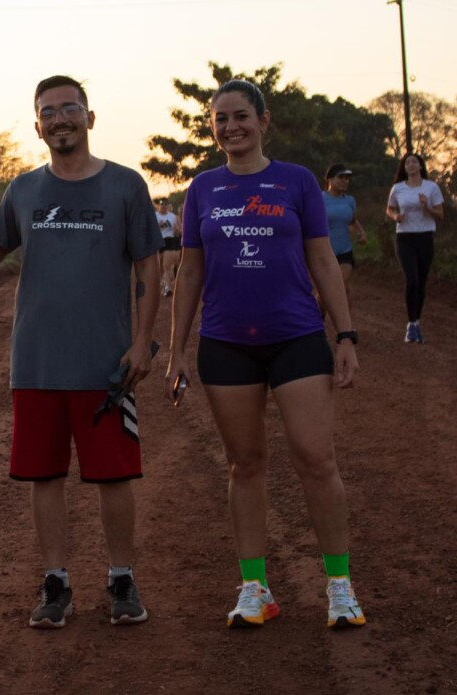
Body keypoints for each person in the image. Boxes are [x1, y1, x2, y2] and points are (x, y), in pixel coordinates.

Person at [0, 75, 162, 629]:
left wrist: (142, 341)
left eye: (70, 108)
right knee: (44, 475)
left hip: (107, 363)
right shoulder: (23, 190)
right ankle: (55, 582)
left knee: (114, 475)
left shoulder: (125, 185)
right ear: (37, 126)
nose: (59, 118)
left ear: (89, 118)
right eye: (48, 111)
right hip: (36, 361)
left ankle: (122, 579)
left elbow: (149, 261)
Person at [166, 79, 366, 631]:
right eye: (220, 119)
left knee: (316, 459)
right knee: (245, 463)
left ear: (263, 120)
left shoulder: (297, 181)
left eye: (240, 116)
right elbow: (190, 272)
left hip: (296, 336)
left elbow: (323, 260)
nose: (231, 127)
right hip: (226, 342)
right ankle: (255, 588)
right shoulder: (202, 189)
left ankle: (340, 585)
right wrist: (176, 350)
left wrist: (346, 335)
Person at [386, 153, 445, 343]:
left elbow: (441, 214)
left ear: (420, 166)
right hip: (404, 237)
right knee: (412, 280)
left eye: (414, 162)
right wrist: (396, 216)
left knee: (421, 282)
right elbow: (389, 208)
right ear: (404, 168)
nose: (411, 165)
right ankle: (411, 325)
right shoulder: (398, 188)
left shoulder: (431, 187)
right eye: (407, 163)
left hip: (425, 237)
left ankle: (417, 321)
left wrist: (427, 206)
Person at [322, 163, 367, 310]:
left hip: (345, 251)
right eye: (341, 177)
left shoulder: (350, 200)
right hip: (324, 253)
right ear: (329, 179)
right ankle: (317, 318)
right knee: (326, 291)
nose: (345, 181)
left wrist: (361, 233)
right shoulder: (319, 199)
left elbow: (352, 221)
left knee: (340, 286)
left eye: (347, 178)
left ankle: (346, 324)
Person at [156, 198, 182, 296]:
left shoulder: (173, 216)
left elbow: (179, 230)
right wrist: (157, 226)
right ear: (158, 205)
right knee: (160, 266)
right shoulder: (155, 216)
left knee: (168, 265)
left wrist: (177, 230)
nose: (164, 206)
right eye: (162, 204)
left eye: (166, 204)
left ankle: (168, 287)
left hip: (171, 241)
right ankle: (163, 283)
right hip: (159, 241)